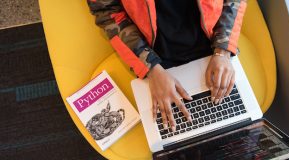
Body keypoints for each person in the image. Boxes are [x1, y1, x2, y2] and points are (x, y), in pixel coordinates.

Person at [87, 0, 247, 132]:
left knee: (240, 131)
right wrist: (151, 68)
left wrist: (223, 49)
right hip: (155, 60)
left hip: (214, 48)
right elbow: (107, 13)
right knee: (173, 141)